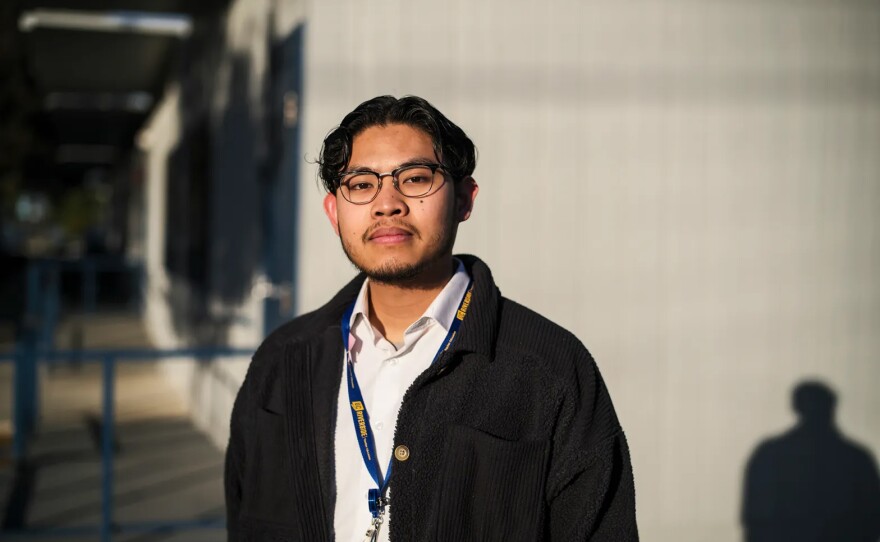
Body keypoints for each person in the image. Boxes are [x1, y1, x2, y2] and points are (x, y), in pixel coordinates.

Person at [225, 95, 638, 541]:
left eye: (416, 178)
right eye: (362, 185)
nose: (387, 204)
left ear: (464, 199)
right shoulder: (284, 360)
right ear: (334, 212)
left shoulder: (550, 369)